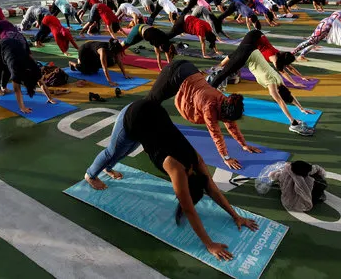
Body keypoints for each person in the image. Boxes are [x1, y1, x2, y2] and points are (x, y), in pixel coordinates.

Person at [83, 98, 259, 261]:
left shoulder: (195, 160)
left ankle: (108, 166)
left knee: (126, 149)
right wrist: (209, 244)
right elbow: (188, 209)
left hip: (151, 117)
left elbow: (211, 188)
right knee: (113, 151)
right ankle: (91, 175)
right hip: (134, 114)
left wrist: (236, 216)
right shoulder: (176, 169)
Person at [146, 60, 259, 170]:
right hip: (175, 72)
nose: (229, 122)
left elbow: (231, 125)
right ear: (223, 114)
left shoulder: (225, 101)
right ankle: (144, 126)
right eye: (227, 120)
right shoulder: (209, 108)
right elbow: (216, 135)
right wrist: (226, 158)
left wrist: (244, 145)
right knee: (150, 102)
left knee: (156, 101)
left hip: (190, 69)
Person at [210, 48, 315, 136]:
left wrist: (301, 108)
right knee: (224, 72)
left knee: (228, 71)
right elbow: (281, 102)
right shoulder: (274, 81)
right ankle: (217, 73)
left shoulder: (277, 78)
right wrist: (293, 121)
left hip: (255, 52)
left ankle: (218, 71)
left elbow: (287, 95)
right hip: (249, 55)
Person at [0, 37, 56, 113]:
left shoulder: (34, 68)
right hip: (0, 46)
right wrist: (22, 108)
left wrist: (50, 98)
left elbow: (41, 82)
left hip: (15, 44)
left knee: (7, 70)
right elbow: (17, 89)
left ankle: (4, 87)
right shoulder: (16, 69)